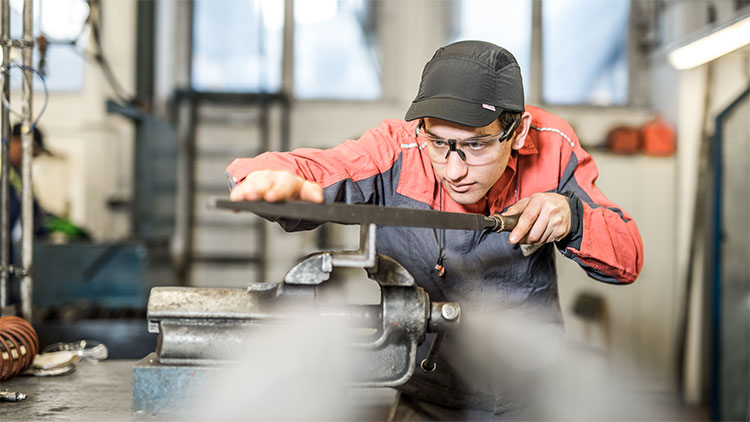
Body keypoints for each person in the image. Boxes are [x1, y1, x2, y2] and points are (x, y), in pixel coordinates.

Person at [226, 40, 643, 420]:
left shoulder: (553, 149)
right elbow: (312, 169)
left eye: (476, 145)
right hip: (423, 388)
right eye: (439, 143)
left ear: (518, 133)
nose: (454, 169)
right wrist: (278, 182)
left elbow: (628, 258)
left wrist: (574, 219)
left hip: (525, 393)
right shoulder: (399, 149)